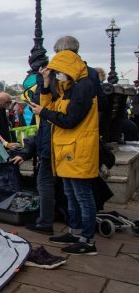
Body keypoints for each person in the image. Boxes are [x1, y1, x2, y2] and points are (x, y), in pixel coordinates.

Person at [29, 49, 99, 255]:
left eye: (58, 72)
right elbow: (50, 105)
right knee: (70, 193)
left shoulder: (83, 87)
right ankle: (75, 231)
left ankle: (87, 239)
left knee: (82, 195)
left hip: (78, 148)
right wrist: (45, 84)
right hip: (67, 148)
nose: (56, 75)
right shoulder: (68, 87)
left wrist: (44, 113)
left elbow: (69, 120)